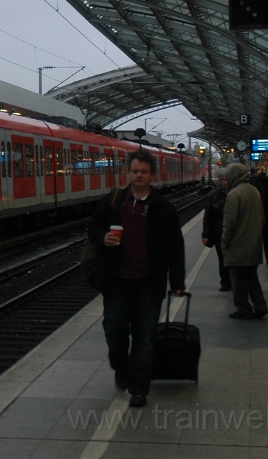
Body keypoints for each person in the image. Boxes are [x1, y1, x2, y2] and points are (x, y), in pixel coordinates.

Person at [88, 149, 186, 408]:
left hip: (148, 283)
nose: (138, 175)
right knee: (115, 333)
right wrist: (103, 238)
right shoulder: (114, 201)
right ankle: (121, 368)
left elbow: (175, 247)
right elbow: (93, 227)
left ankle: (139, 388)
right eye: (134, 171)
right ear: (128, 173)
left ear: (152, 175)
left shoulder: (163, 208)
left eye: (143, 172)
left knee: (144, 337)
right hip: (116, 281)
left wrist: (177, 282)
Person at [220, 162, 267, 320]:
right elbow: (262, 217)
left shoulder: (234, 194)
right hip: (253, 243)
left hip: (238, 246)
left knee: (238, 281)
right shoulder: (254, 191)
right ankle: (260, 305)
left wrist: (224, 243)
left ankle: (243, 308)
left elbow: (229, 223)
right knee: (252, 278)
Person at [201, 170, 231, 291]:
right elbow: (208, 215)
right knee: (222, 258)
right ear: (219, 181)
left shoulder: (235, 194)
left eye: (228, 179)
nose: (226, 182)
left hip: (232, 232)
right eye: (224, 180)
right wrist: (205, 234)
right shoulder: (213, 195)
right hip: (219, 232)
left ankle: (233, 281)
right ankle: (225, 282)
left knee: (231, 258)